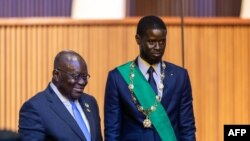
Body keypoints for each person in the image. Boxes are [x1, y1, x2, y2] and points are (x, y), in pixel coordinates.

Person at [104, 16, 196, 141]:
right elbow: (112, 131)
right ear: (138, 39)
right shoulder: (118, 78)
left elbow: (187, 127)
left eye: (162, 41)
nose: (158, 47)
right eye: (152, 42)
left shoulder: (180, 76)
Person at [19, 50, 102, 141]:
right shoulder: (35, 108)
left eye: (84, 76)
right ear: (56, 75)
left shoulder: (90, 102)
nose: (82, 82)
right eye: (75, 76)